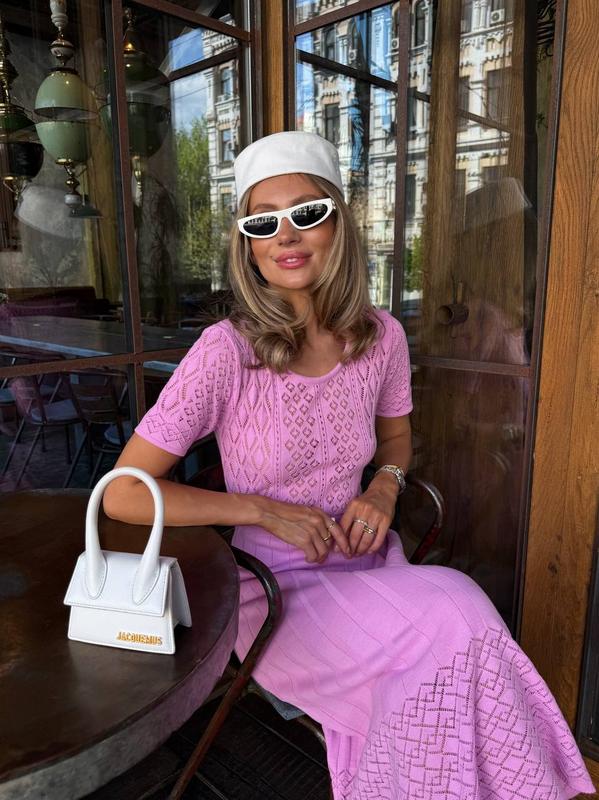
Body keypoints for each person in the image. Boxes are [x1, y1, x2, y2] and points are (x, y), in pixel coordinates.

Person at [104, 131, 594, 800]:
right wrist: (260, 510)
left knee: (447, 647)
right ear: (247, 246)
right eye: (262, 222)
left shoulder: (380, 336)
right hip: (273, 588)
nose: (286, 234)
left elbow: (396, 442)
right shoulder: (226, 352)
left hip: (368, 562)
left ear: (338, 222)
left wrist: (385, 490)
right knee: (457, 613)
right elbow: (124, 493)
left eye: (306, 213)